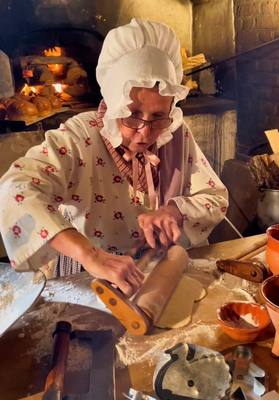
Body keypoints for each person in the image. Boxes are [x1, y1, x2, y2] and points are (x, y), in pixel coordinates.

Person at [0, 18, 228, 297]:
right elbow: (16, 189)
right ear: (112, 103)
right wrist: (92, 256)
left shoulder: (176, 135)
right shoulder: (79, 137)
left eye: (158, 116)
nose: (145, 132)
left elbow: (216, 198)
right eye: (132, 114)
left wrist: (176, 210)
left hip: (153, 272)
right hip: (86, 275)